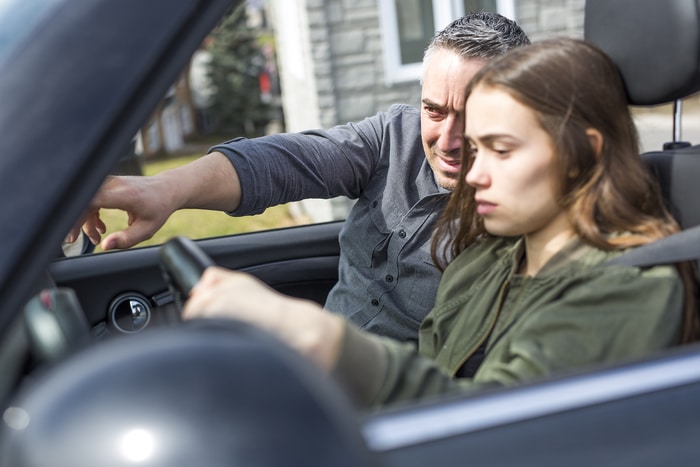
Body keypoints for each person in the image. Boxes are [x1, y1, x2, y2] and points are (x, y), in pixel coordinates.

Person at [180, 38, 698, 409]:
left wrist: (316, 336)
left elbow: (501, 432)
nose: (471, 169)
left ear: (582, 153)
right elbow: (300, 158)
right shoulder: (487, 257)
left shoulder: (629, 287)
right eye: (475, 147)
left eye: (499, 149)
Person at [68, 13, 530, 342]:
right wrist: (164, 190)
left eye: (469, 116)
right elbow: (287, 161)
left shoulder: (525, 220)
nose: (447, 139)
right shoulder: (396, 134)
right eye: (434, 109)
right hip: (309, 371)